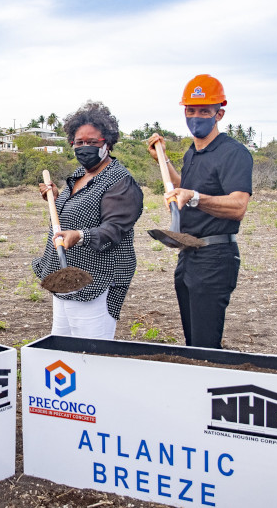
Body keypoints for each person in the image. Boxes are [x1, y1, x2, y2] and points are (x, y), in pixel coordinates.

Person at [147, 74, 252, 349]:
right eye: (191, 110)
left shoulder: (234, 153)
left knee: (205, 343)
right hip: (189, 253)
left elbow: (238, 205)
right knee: (192, 340)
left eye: (204, 111)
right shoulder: (192, 153)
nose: (196, 116)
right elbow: (185, 188)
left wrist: (193, 197)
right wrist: (164, 161)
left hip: (215, 257)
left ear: (220, 113)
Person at [33, 101, 143, 339]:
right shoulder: (78, 177)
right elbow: (78, 212)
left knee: (90, 354)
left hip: (95, 282)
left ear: (108, 144)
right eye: (79, 142)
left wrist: (80, 236)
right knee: (62, 349)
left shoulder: (120, 181)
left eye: (92, 142)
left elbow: (113, 230)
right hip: (64, 278)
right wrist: (55, 198)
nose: (85, 147)